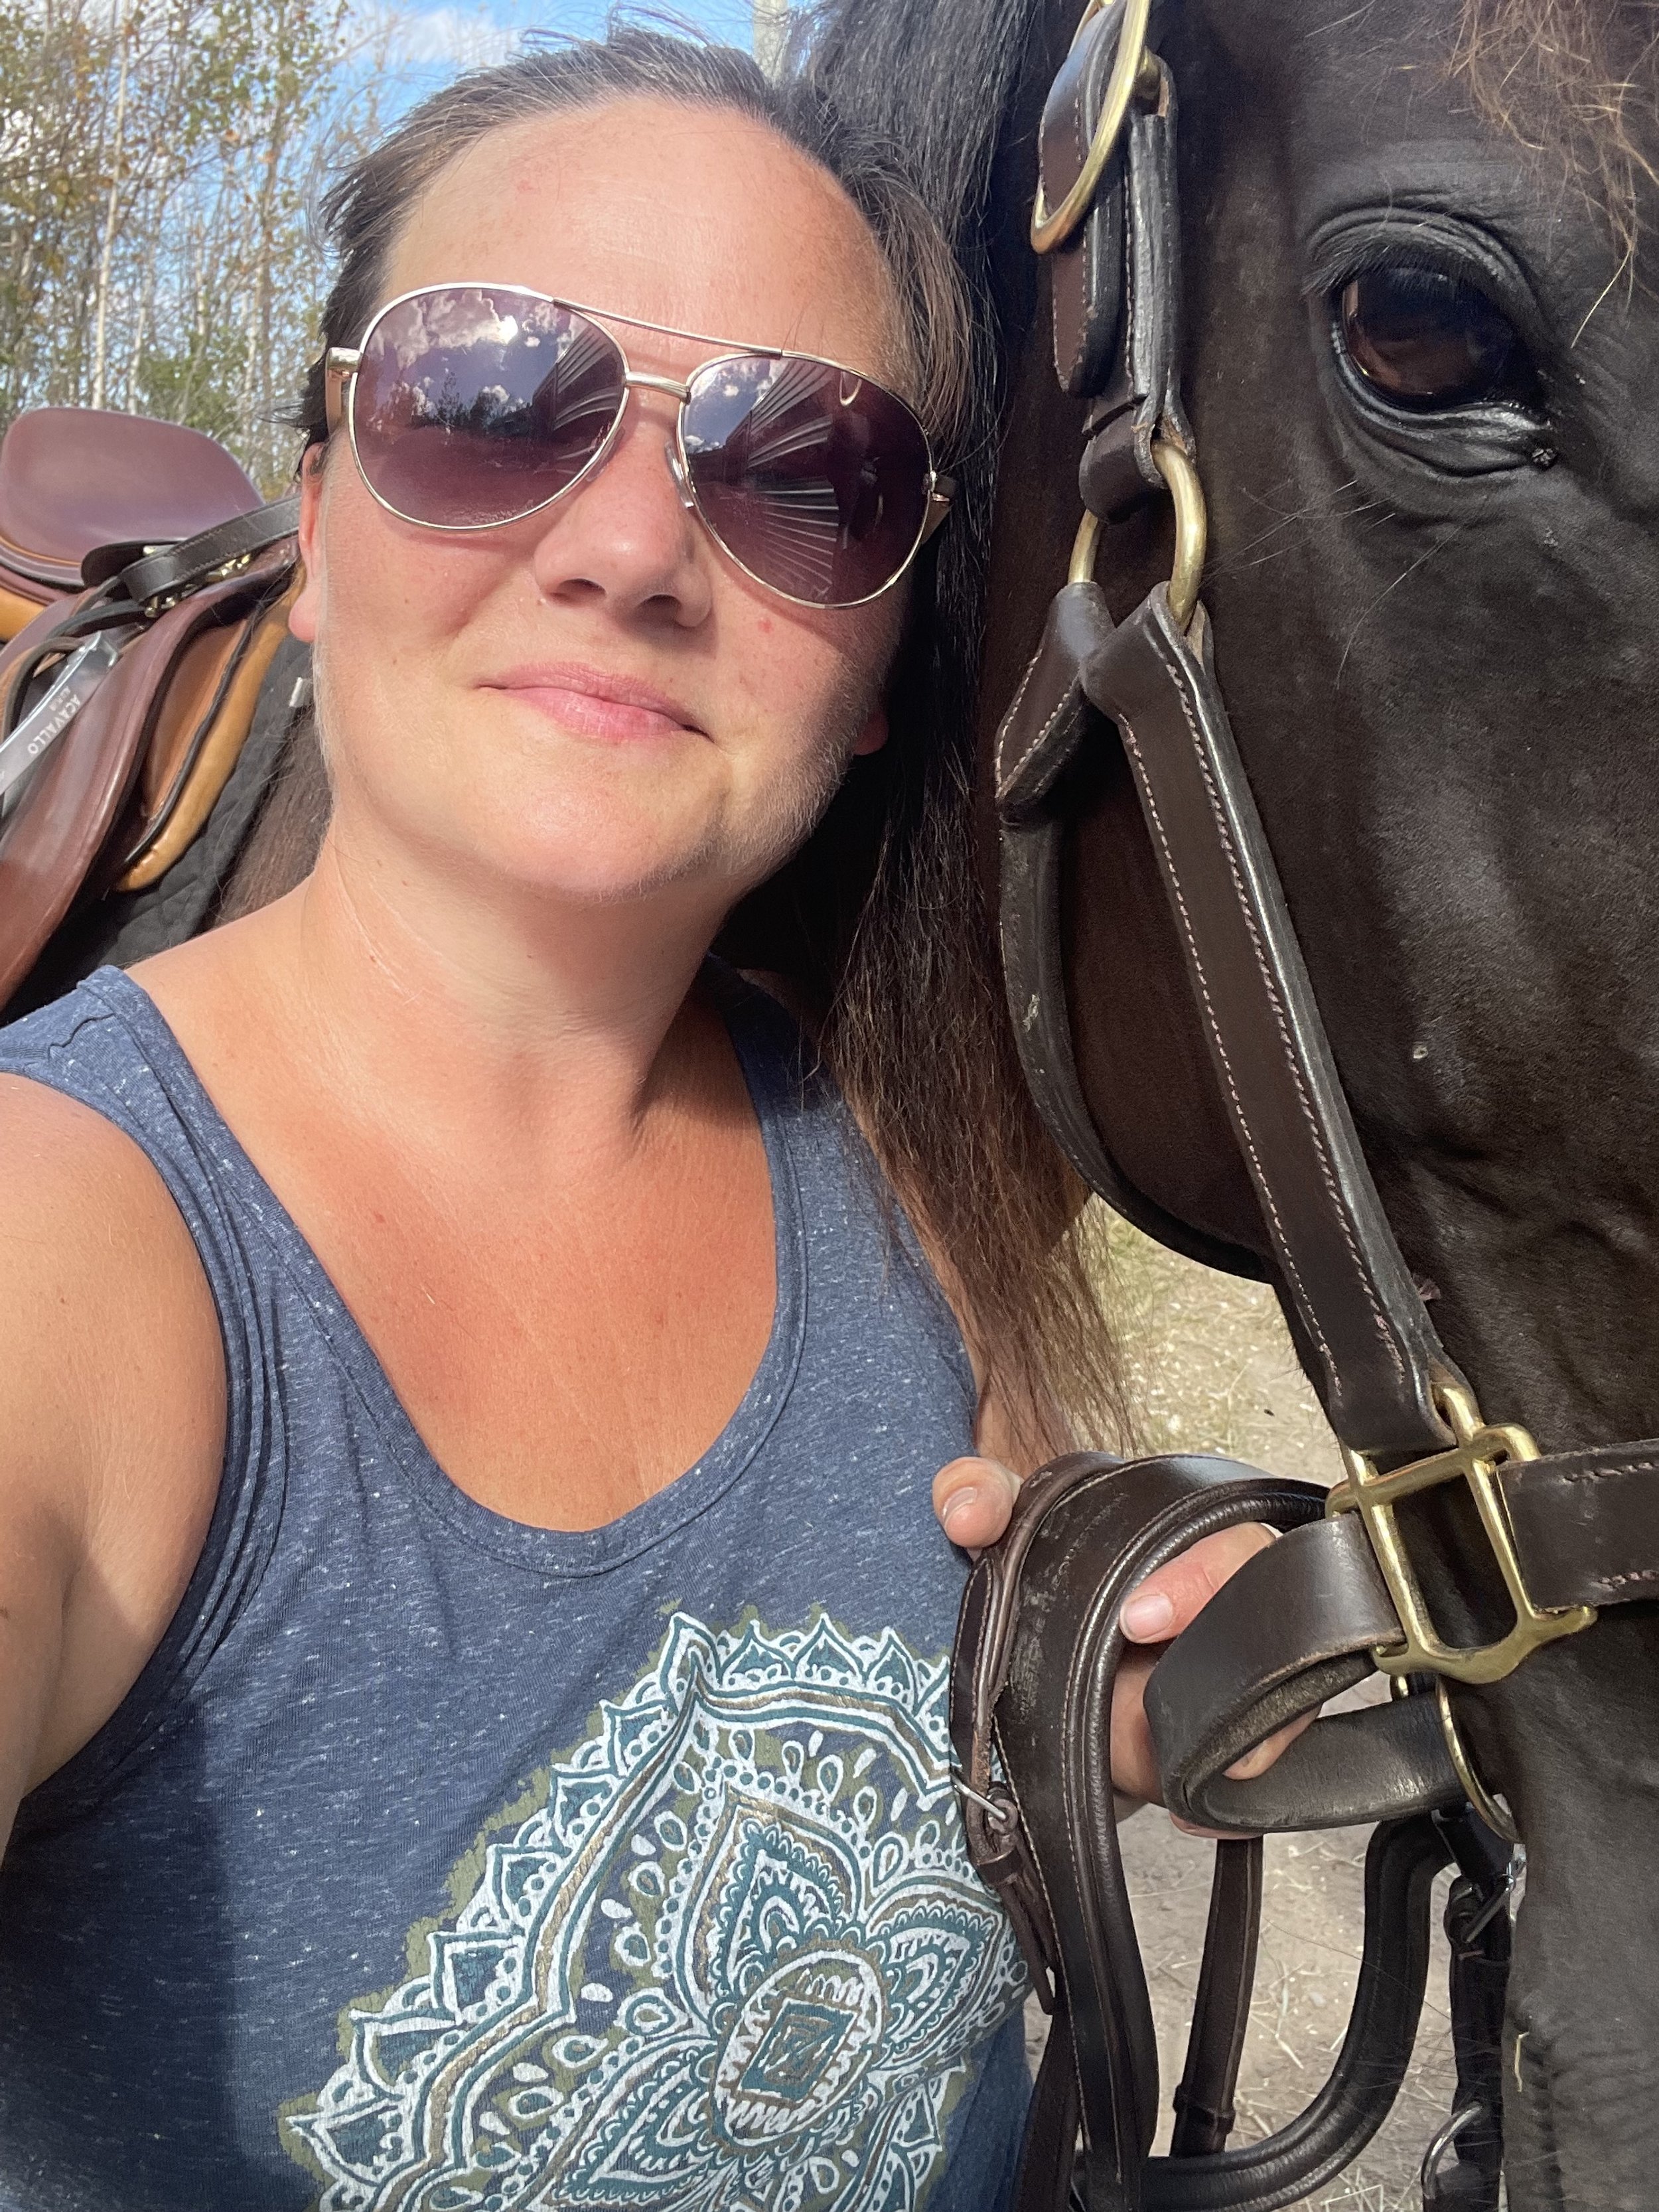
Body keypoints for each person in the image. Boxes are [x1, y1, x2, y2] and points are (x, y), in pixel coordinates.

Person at [0, 31, 1273, 2211]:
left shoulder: (912, 1167)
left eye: (806, 471)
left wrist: (1108, 1678)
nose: (628, 548)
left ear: (881, 665)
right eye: (487, 398)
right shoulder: (74, 1241)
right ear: (309, 529)